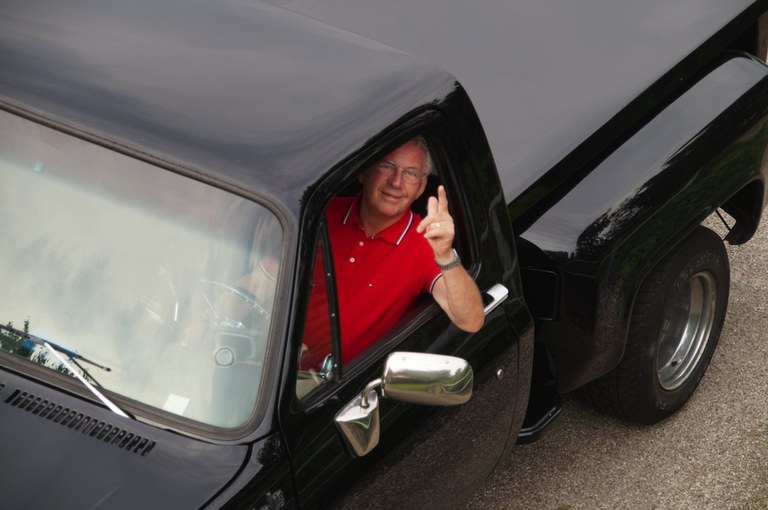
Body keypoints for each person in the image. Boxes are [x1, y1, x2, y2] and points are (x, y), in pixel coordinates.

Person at [321, 136, 485, 364]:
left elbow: (471, 320)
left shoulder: (424, 242)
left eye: (410, 173)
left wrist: (446, 254)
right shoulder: (323, 215)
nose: (396, 182)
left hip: (333, 382)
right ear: (363, 172)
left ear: (420, 188)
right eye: (387, 166)